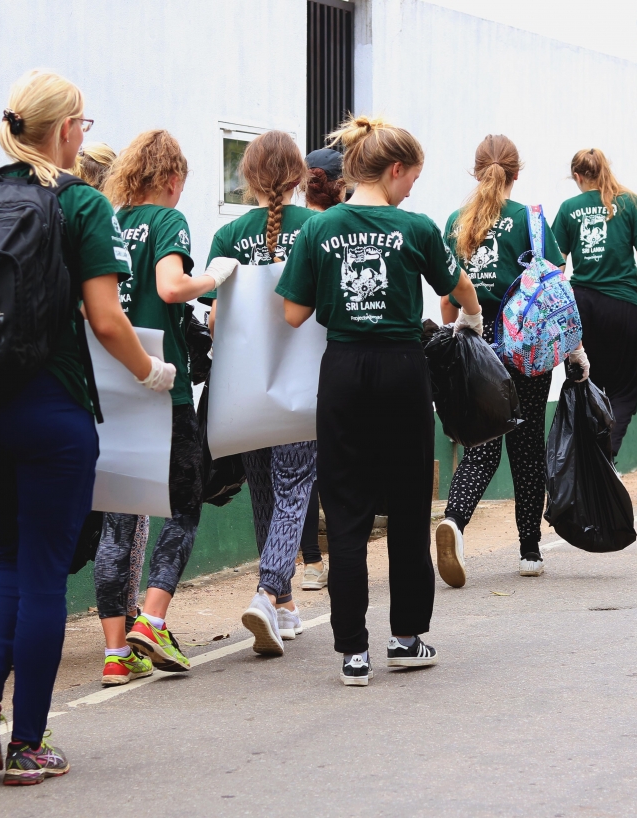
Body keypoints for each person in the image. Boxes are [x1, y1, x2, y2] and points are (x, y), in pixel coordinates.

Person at [0, 70, 174, 785]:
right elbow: (106, 319)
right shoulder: (83, 205)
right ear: (66, 131)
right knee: (41, 574)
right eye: (82, 126)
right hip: (49, 415)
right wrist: (153, 375)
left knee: (3, 554)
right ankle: (27, 742)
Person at [276, 115, 483, 686]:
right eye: (412, 177)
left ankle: (352, 653)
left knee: (344, 509)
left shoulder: (319, 231)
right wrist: (472, 316)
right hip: (401, 369)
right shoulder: (415, 228)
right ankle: (406, 637)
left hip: (342, 370)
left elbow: (293, 314)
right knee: (411, 503)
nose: (413, 188)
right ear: (394, 170)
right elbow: (458, 287)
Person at [96, 130, 237, 682]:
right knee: (184, 502)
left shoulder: (106, 219)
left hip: (111, 386)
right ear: (173, 180)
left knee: (117, 515)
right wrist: (215, 276)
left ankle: (114, 653)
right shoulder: (166, 221)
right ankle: (152, 620)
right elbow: (173, 287)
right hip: (163, 385)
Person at [434, 135, 587, 585]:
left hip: (472, 348)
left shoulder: (453, 222)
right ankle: (529, 549)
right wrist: (575, 351)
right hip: (527, 354)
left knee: (481, 446)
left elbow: (449, 301)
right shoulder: (532, 222)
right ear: (516, 174)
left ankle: (454, 522)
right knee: (525, 446)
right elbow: (558, 294)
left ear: (475, 171)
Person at [204, 131, 317, 655]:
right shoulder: (316, 227)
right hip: (301, 385)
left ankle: (286, 606)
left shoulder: (230, 236)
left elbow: (216, 319)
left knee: (266, 495)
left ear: (248, 177)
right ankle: (269, 591)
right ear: (298, 176)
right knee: (295, 488)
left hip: (245, 389)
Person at [72, 141, 152, 634]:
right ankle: (124, 615)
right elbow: (108, 316)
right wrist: (148, 368)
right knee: (129, 511)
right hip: (118, 381)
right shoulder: (104, 224)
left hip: (68, 385)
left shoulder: (57, 218)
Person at [552, 148, 637, 456]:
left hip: (582, 308)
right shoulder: (630, 203)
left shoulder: (568, 209)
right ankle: (608, 456)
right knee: (624, 391)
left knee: (585, 385)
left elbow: (556, 269)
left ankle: (587, 464)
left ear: (577, 177)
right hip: (622, 306)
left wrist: (558, 316)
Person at [297, 146, 347, 591]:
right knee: (326, 457)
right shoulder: (329, 227)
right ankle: (323, 559)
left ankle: (306, 562)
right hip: (328, 356)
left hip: (276, 365)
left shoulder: (291, 223)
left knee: (294, 467)